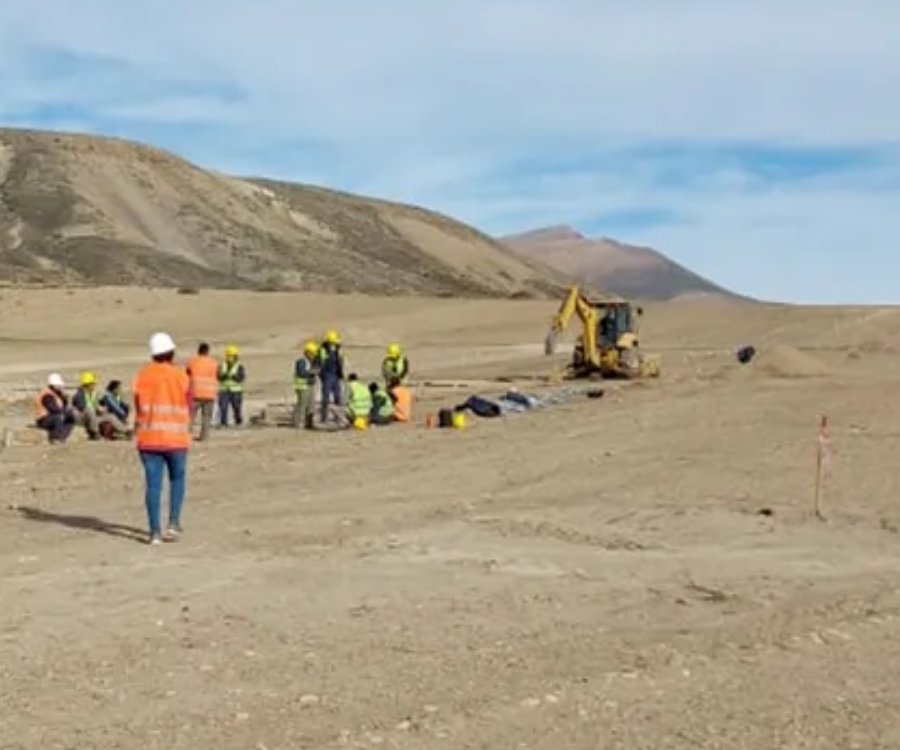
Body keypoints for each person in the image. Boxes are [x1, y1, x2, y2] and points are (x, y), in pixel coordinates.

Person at [133, 332, 192, 546]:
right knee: (177, 479)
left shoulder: (142, 376)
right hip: (176, 439)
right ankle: (173, 523)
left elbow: (138, 406)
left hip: (148, 439)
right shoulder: (181, 377)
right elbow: (189, 404)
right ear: (172, 352)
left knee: (153, 486)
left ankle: (154, 532)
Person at [71, 371, 130, 440]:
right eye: (93, 384)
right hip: (82, 419)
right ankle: (95, 433)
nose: (94, 385)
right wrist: (96, 408)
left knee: (110, 416)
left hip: (93, 418)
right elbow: (83, 409)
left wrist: (101, 409)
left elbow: (96, 405)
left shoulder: (93, 394)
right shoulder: (78, 395)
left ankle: (126, 431)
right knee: (89, 410)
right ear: (87, 384)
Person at [186, 342, 218, 440]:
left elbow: (187, 374)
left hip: (195, 393)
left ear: (198, 351)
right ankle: (204, 437)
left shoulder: (192, 362)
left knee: (190, 416)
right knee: (206, 417)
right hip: (209, 394)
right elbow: (219, 375)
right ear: (207, 351)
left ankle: (186, 436)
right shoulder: (214, 363)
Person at [34, 373, 77, 444]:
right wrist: (65, 412)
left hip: (52, 417)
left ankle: (62, 437)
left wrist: (64, 397)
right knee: (59, 417)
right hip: (43, 419)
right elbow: (53, 409)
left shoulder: (56, 393)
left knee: (71, 419)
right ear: (53, 385)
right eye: (59, 385)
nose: (61, 386)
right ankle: (55, 438)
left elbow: (63, 406)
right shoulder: (47, 395)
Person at [318, 330, 345, 423]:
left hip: (336, 375)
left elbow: (340, 361)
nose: (334, 344)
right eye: (333, 343)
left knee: (338, 397)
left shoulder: (338, 348)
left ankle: (338, 417)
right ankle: (324, 417)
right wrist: (322, 376)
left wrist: (341, 373)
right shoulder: (323, 349)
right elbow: (321, 363)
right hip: (327, 375)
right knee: (326, 398)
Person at [293, 340, 320, 429]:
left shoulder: (312, 362)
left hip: (310, 385)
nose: (313, 355)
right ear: (307, 353)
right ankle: (298, 423)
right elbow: (301, 373)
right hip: (303, 386)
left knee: (311, 405)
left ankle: (309, 423)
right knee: (302, 405)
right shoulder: (301, 362)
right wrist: (312, 372)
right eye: (312, 353)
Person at [217, 344, 245, 428]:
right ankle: (223, 423)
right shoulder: (222, 366)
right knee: (223, 408)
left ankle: (238, 421)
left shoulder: (239, 366)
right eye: (228, 356)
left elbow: (241, 378)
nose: (229, 358)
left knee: (236, 408)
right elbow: (218, 377)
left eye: (231, 356)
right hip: (224, 390)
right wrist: (225, 376)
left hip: (236, 391)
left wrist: (233, 376)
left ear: (235, 357)